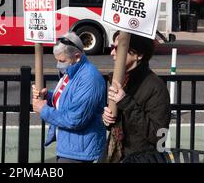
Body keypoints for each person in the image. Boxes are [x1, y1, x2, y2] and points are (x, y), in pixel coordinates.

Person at [32, 32, 107, 163]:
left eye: (61, 61)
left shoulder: (90, 79)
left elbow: (75, 119)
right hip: (71, 147)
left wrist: (44, 110)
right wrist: (48, 96)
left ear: (77, 56)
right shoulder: (73, 70)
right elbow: (69, 99)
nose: (58, 65)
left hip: (79, 153)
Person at [102, 31, 171, 163]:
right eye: (112, 47)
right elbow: (119, 125)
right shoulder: (120, 80)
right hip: (115, 155)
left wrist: (126, 102)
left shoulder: (155, 87)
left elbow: (159, 135)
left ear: (138, 55)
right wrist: (107, 119)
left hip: (142, 158)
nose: (112, 53)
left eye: (118, 48)